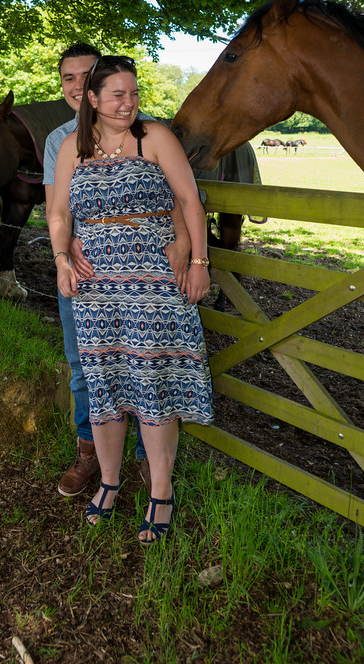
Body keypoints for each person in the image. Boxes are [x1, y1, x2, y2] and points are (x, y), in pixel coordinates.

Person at [49, 56, 212, 543]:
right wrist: (61, 258)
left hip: (155, 287)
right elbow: (58, 213)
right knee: (105, 386)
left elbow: (189, 200)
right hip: (96, 292)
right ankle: (111, 481)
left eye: (134, 92)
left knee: (153, 384)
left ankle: (160, 491)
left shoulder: (154, 137)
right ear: (93, 100)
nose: (129, 102)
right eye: (118, 94)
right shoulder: (72, 149)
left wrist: (199, 262)